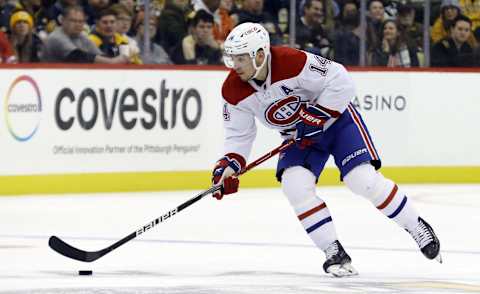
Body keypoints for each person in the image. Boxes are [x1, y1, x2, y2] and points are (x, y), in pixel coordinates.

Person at [212, 22, 442, 277]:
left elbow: (341, 80)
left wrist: (316, 116)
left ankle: (416, 225)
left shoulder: (292, 61)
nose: (235, 65)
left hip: (336, 120)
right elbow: (238, 135)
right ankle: (333, 250)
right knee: (294, 185)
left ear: (259, 54)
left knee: (361, 180)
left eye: (241, 58)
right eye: (232, 58)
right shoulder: (233, 90)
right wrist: (229, 166)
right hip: (298, 136)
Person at [42, 5, 130, 63]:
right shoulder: (56, 37)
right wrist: (112, 62)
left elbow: (99, 55)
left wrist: (114, 60)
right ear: (63, 20)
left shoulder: (80, 35)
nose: (77, 24)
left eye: (80, 21)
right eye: (73, 20)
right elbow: (78, 56)